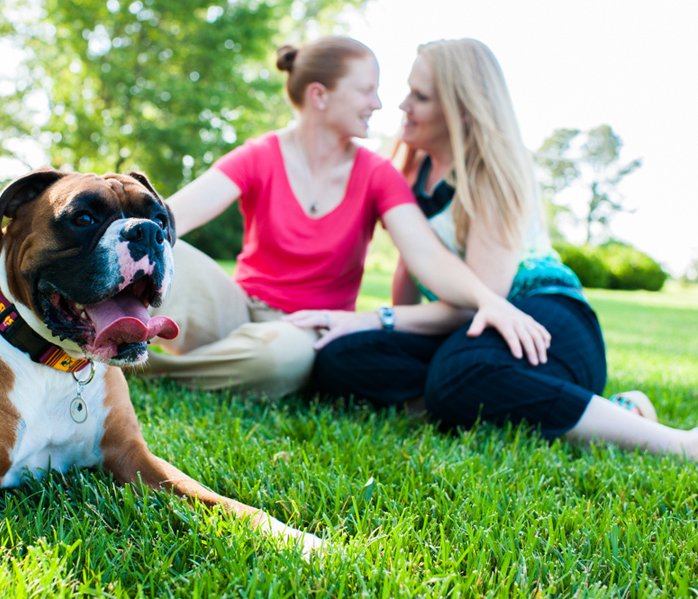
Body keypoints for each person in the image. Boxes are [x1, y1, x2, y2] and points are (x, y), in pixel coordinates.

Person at [288, 38, 698, 459]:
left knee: (458, 376)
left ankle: (675, 443)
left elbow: (479, 302)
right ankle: (508, 400)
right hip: (467, 333)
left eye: (420, 97)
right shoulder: (411, 170)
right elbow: (410, 267)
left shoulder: (492, 171)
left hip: (543, 321)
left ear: (460, 110)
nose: (402, 105)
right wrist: (381, 330)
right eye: (409, 90)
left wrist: (378, 319)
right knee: (341, 359)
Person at [141, 36, 549, 399]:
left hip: (306, 331)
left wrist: (487, 300)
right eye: (367, 91)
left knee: (278, 357)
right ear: (320, 96)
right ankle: (212, 356)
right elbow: (173, 217)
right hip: (236, 308)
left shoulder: (378, 174)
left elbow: (428, 256)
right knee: (168, 252)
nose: (378, 103)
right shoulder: (260, 155)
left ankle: (150, 372)